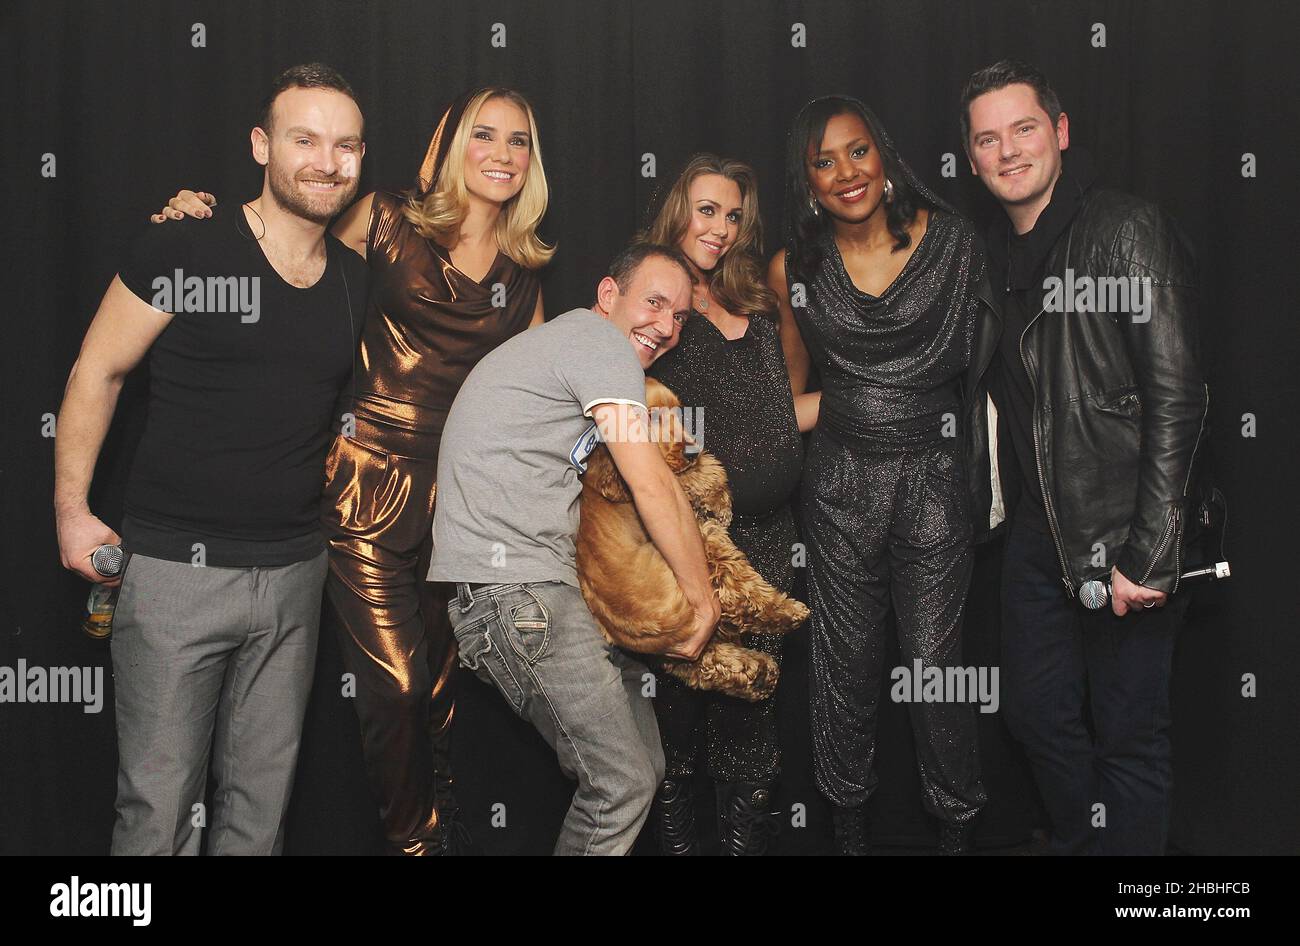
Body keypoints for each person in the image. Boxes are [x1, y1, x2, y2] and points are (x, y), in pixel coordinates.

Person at [153, 85, 552, 855]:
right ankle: (416, 844)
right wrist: (198, 222)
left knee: (441, 692)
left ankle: (440, 832)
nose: (502, 154)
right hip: (364, 484)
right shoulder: (387, 216)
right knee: (396, 686)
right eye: (485, 136)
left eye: (520, 142)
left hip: (461, 506)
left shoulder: (528, 271)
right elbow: (281, 245)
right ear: (452, 143)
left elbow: (526, 403)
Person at [54, 63, 370, 854]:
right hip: (172, 575)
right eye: (304, 139)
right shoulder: (185, 243)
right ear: (263, 146)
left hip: (297, 574)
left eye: (346, 146)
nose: (326, 162)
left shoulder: (357, 282)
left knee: (258, 818)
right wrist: (71, 512)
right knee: (157, 814)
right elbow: (99, 370)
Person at [960, 60, 1207, 855]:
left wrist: (1153, 551)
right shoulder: (993, 260)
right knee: (1034, 716)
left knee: (1130, 735)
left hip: (1125, 526)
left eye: (1024, 129)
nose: (1008, 152)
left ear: (1060, 133)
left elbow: (1177, 398)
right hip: (1040, 533)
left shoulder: (1124, 229)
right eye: (988, 139)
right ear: (971, 159)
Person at [427, 242, 721, 856]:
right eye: (655, 303)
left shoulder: (567, 350)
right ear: (608, 295)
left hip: (528, 595)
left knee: (643, 768)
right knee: (621, 783)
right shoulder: (597, 342)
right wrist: (702, 601)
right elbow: (651, 482)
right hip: (521, 597)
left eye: (680, 317)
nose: (666, 327)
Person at [768, 95, 988, 855]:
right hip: (837, 489)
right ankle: (849, 835)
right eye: (823, 162)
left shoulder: (957, 243)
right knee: (844, 670)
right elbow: (790, 394)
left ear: (884, 155)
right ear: (806, 183)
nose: (845, 173)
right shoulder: (794, 267)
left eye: (857, 151)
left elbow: (996, 368)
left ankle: (957, 831)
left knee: (935, 667)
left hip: (933, 480)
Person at [641, 154, 819, 855]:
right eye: (706, 209)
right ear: (678, 209)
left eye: (733, 215)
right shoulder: (655, 302)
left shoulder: (757, 302)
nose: (719, 228)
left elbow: (777, 418)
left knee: (751, 710)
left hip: (772, 543)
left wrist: (861, 400)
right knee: (678, 721)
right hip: (685, 543)